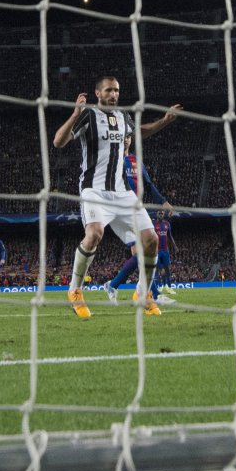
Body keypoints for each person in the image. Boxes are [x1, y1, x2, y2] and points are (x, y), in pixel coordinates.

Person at [53, 76, 182, 319]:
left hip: (122, 191)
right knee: (94, 234)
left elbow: (140, 132)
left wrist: (164, 121)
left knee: (151, 239)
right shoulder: (88, 115)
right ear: (98, 93)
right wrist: (74, 114)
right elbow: (58, 142)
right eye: (109, 90)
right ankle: (75, 291)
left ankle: (143, 294)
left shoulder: (123, 117)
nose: (114, 95)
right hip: (94, 189)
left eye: (117, 90)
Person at [102, 133, 175, 307]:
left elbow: (148, 185)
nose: (126, 139)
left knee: (140, 256)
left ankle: (114, 286)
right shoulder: (111, 159)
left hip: (135, 209)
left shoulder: (136, 160)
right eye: (123, 137)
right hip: (121, 210)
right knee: (147, 250)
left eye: (129, 137)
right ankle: (149, 294)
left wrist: (163, 201)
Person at [154, 210, 179, 295]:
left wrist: (175, 246)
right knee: (158, 269)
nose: (161, 214)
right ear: (156, 214)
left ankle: (168, 287)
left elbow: (170, 236)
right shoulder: (153, 224)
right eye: (159, 213)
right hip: (156, 250)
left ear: (164, 214)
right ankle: (159, 286)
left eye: (162, 213)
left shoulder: (167, 224)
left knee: (167, 269)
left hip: (165, 250)